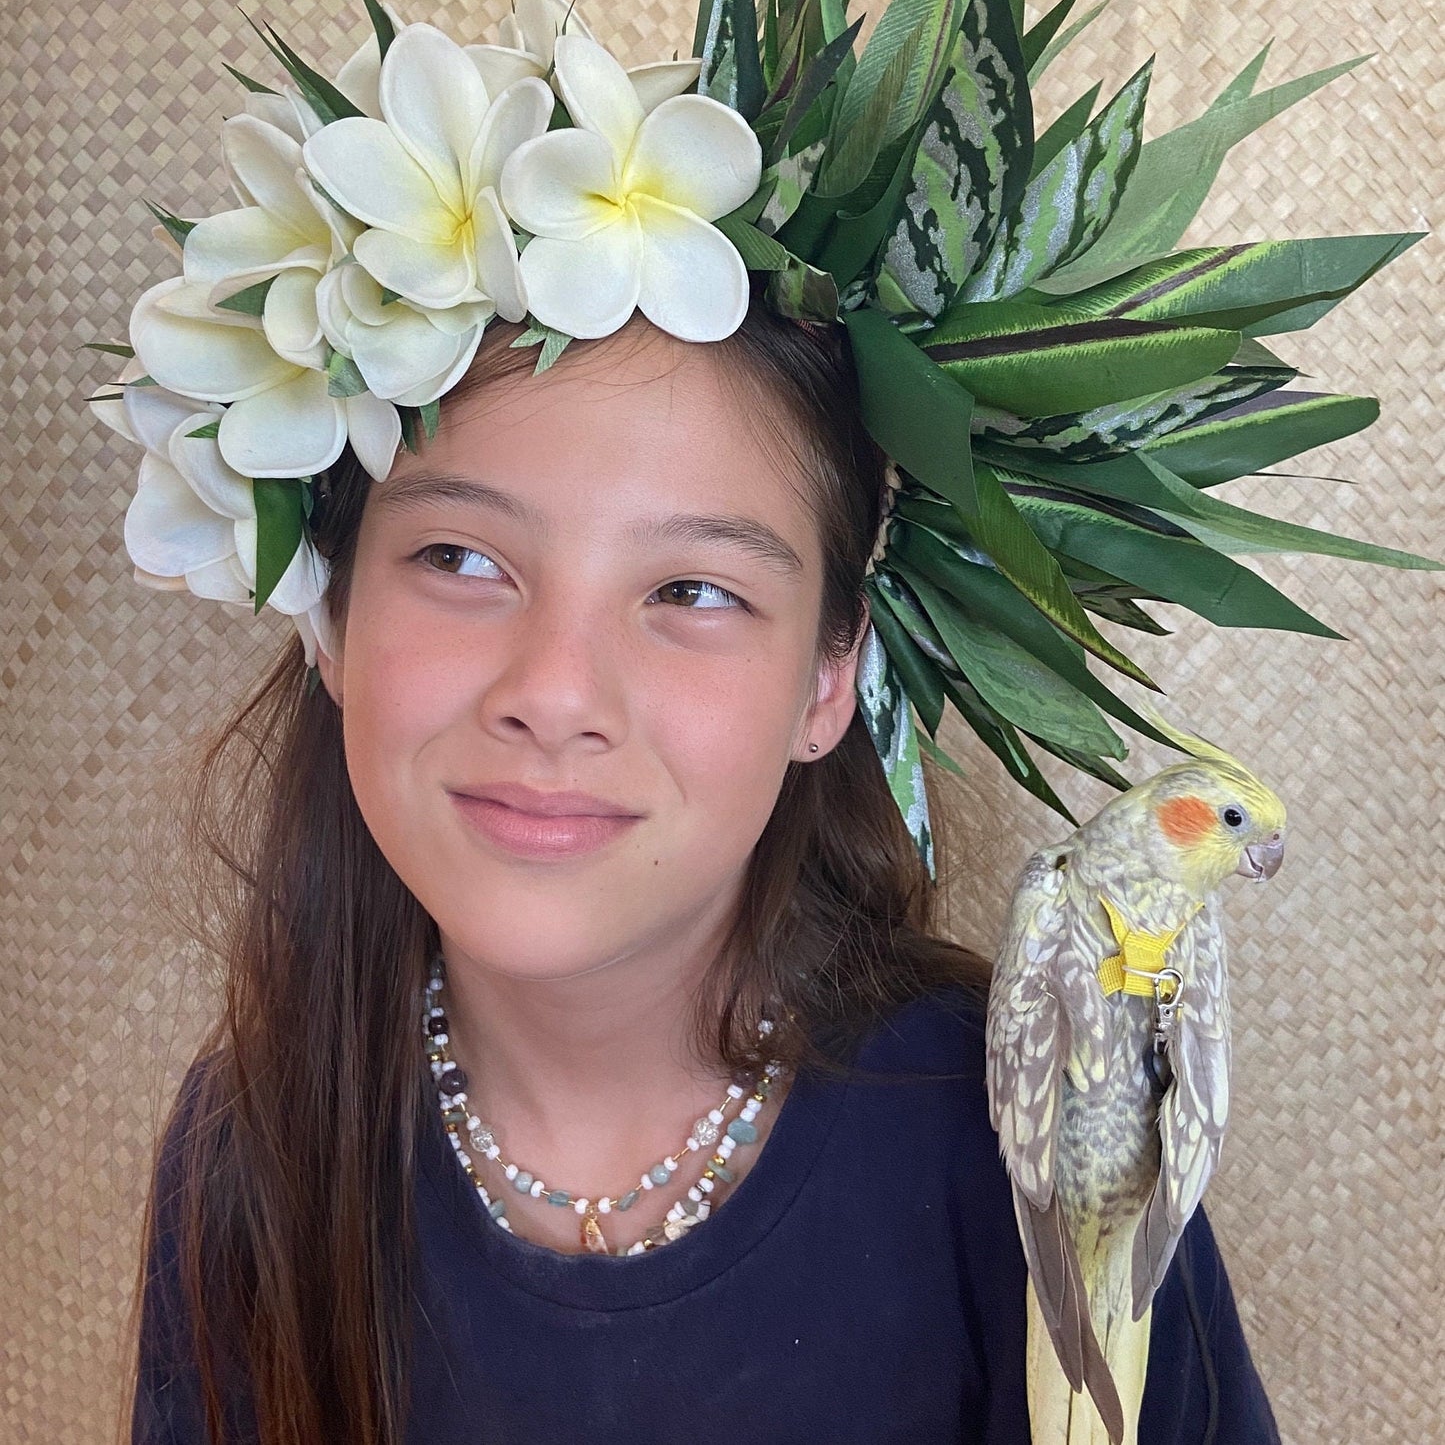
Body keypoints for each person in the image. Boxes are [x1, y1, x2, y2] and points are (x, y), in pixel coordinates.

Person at [127, 300, 1282, 1444]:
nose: (554, 695)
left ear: (827, 680)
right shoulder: (252, 1140)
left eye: (691, 592)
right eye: (460, 558)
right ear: (328, 613)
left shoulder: (1037, 1134)